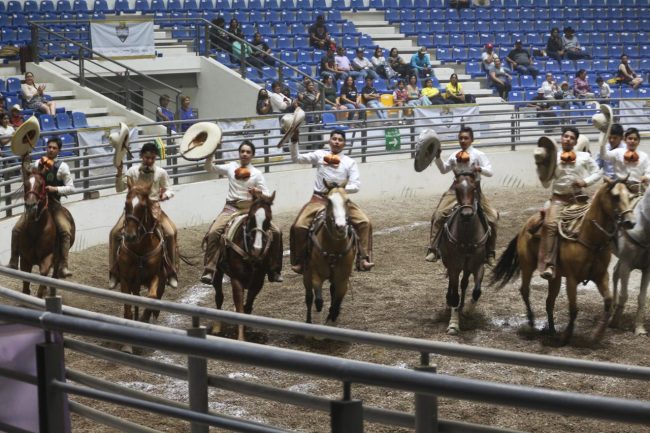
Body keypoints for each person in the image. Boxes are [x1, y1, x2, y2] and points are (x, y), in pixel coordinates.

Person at [288, 129, 374, 273]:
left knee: (365, 222)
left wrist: (339, 188)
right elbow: (296, 158)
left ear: (344, 144)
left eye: (340, 140)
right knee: (298, 226)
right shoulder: (320, 155)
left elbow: (356, 185)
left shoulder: (350, 162)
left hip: (340, 200)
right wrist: (294, 141)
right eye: (334, 139)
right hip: (319, 200)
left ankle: (363, 258)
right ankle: (301, 261)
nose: (336, 142)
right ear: (329, 141)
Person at [200, 140, 284, 284]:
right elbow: (209, 167)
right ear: (239, 153)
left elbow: (267, 194)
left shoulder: (257, 174)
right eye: (242, 151)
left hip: (250, 209)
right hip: (231, 208)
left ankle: (274, 269)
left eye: (248, 152)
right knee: (214, 232)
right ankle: (210, 268)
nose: (245, 154)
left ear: (252, 155)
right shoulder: (231, 167)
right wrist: (211, 152)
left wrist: (258, 192)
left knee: (276, 232)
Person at [109, 142, 178, 289]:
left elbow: (169, 189)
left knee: (171, 233)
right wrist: (119, 173)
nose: (150, 161)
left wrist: (165, 195)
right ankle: (114, 272)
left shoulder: (161, 172)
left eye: (152, 158)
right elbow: (119, 188)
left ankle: (171, 271)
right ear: (141, 156)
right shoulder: (132, 171)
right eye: (147, 158)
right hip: (134, 209)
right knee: (114, 233)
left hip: (154, 208)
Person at [425, 126, 498, 265]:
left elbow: (490, 172)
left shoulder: (479, 155)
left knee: (493, 218)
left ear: (472, 140)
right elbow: (444, 170)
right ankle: (433, 249)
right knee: (438, 215)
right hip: (455, 190)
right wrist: (438, 157)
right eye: (461, 138)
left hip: (474, 190)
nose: (463, 140)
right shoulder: (454, 155)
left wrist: (479, 168)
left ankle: (490, 252)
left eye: (466, 138)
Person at [538, 126, 601, 280]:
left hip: (579, 200)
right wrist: (542, 169)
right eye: (566, 136)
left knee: (595, 221)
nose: (568, 139)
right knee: (551, 225)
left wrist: (585, 181)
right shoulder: (553, 158)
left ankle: (596, 259)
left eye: (572, 138)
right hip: (558, 200)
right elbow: (546, 184)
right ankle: (550, 264)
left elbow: (598, 172)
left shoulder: (584, 156)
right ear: (561, 138)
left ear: (575, 141)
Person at [10, 137, 76, 277]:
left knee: (65, 230)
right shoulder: (38, 163)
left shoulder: (63, 167)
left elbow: (71, 188)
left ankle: (63, 265)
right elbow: (29, 178)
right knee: (16, 229)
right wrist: (25, 161)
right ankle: (14, 260)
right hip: (37, 204)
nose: (51, 150)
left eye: (54, 148)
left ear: (59, 150)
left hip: (54, 204)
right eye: (49, 147)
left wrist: (55, 189)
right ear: (46, 148)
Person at [599, 127, 650, 195]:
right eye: (630, 138)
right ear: (625, 140)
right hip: (620, 185)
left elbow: (649, 172)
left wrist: (646, 177)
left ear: (638, 142)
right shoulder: (618, 152)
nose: (632, 141)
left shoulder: (644, 156)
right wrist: (602, 142)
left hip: (637, 186)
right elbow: (604, 156)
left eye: (635, 139)